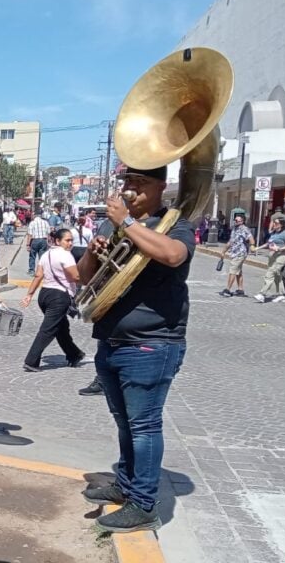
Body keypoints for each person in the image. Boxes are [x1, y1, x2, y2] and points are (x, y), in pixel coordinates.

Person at [76, 166, 195, 533]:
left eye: (140, 184)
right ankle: (127, 485)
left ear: (162, 186)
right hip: (111, 339)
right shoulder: (113, 227)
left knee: (143, 426)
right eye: (127, 183)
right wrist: (95, 252)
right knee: (125, 423)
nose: (130, 190)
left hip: (152, 343)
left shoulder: (175, 223)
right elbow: (83, 275)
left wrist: (126, 222)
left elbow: (174, 255)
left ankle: (144, 505)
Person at [20, 228, 85, 373]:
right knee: (48, 329)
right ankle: (31, 361)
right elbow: (75, 277)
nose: (70, 243)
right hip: (59, 296)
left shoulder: (46, 255)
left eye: (71, 240)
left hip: (44, 294)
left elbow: (38, 276)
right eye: (67, 240)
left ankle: (74, 354)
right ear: (57, 241)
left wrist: (30, 294)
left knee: (61, 327)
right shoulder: (66, 255)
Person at [254, 218, 285, 303]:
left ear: (281, 224)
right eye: (273, 222)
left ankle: (262, 294)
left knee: (270, 273)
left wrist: (279, 248)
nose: (273, 224)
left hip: (282, 255)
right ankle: (281, 295)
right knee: (277, 275)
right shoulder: (274, 233)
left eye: (275, 223)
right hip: (273, 255)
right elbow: (268, 243)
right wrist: (258, 248)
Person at [219, 214, 255, 297]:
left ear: (242, 221)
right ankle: (240, 290)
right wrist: (223, 251)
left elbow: (252, 239)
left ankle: (227, 290)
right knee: (238, 272)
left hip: (240, 253)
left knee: (233, 270)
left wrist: (252, 246)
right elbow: (230, 241)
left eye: (238, 221)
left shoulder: (245, 229)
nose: (236, 222)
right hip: (234, 253)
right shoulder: (234, 229)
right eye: (235, 220)